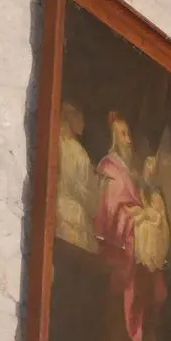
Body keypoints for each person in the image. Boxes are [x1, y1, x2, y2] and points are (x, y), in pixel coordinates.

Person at [93, 112, 165, 341]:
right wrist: (135, 217)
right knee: (118, 332)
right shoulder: (109, 168)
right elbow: (110, 210)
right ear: (114, 138)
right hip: (118, 259)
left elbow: (137, 205)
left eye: (129, 133)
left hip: (133, 260)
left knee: (132, 331)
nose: (129, 139)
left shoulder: (130, 173)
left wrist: (144, 214)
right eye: (123, 134)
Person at [54, 102, 96, 252]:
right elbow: (91, 202)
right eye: (80, 116)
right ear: (71, 118)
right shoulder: (79, 154)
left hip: (57, 214)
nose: (83, 122)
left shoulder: (56, 143)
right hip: (74, 221)